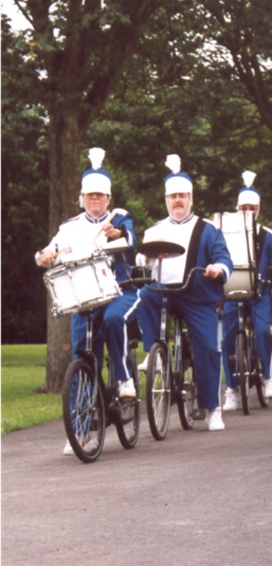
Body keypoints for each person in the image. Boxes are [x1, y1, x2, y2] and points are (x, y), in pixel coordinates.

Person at [36, 148, 139, 455]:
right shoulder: (69, 226)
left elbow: (129, 239)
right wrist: (44, 256)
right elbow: (48, 251)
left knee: (112, 320)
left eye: (100, 196)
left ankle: (123, 380)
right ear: (81, 198)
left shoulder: (118, 217)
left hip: (118, 291)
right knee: (83, 357)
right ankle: (78, 430)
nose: (95, 201)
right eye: (90, 196)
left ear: (108, 198)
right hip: (83, 298)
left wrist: (116, 233)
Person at [136, 155, 233, 432]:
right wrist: (144, 260)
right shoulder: (154, 231)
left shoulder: (208, 229)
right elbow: (143, 262)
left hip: (197, 294)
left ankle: (212, 407)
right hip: (163, 293)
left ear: (191, 198)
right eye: (173, 197)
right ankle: (154, 353)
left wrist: (218, 269)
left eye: (182, 196)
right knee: (143, 296)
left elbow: (224, 259)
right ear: (166, 200)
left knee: (207, 346)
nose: (177, 201)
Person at [221, 171, 272, 411]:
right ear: (237, 208)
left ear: (258, 209)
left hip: (262, 293)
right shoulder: (225, 234)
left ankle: (269, 376)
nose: (247, 212)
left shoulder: (269, 237)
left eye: (252, 208)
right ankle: (232, 387)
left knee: (262, 331)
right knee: (227, 338)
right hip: (233, 292)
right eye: (243, 207)